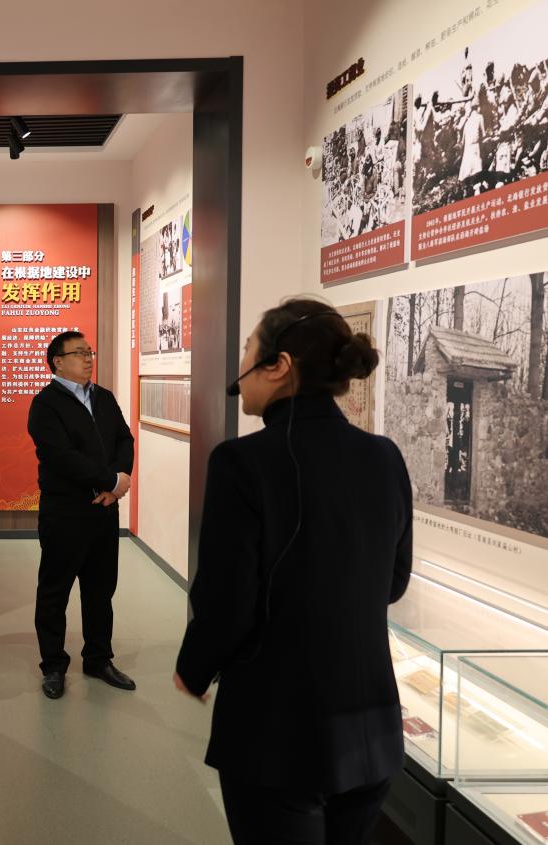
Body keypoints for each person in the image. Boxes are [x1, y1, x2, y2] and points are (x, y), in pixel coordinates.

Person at [174, 298, 413, 845]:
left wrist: (195, 667)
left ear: (279, 365)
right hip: (373, 736)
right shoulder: (385, 456)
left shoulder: (241, 462)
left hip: (278, 736)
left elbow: (228, 600)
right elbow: (393, 583)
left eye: (248, 352)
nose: (241, 368)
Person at [27, 330, 136, 700]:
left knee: (100, 590)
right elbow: (61, 457)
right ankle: (53, 665)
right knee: (54, 592)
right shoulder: (45, 404)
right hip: (65, 513)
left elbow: (124, 439)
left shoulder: (103, 397)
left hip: (104, 512)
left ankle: (98, 659)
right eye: (79, 353)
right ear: (57, 362)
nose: (88, 358)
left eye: (89, 351)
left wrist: (117, 482)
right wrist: (111, 480)